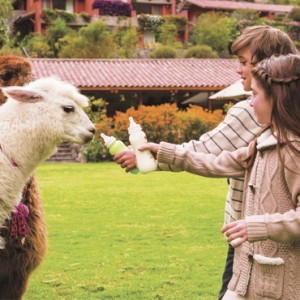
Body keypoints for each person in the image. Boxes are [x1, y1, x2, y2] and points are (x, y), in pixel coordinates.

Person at [113, 26, 298, 299]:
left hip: (263, 243)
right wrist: (162, 154)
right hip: (248, 239)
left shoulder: (284, 141)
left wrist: (255, 225)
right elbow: (222, 162)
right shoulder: (263, 137)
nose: (239, 71)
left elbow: (209, 151)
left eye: (246, 63)